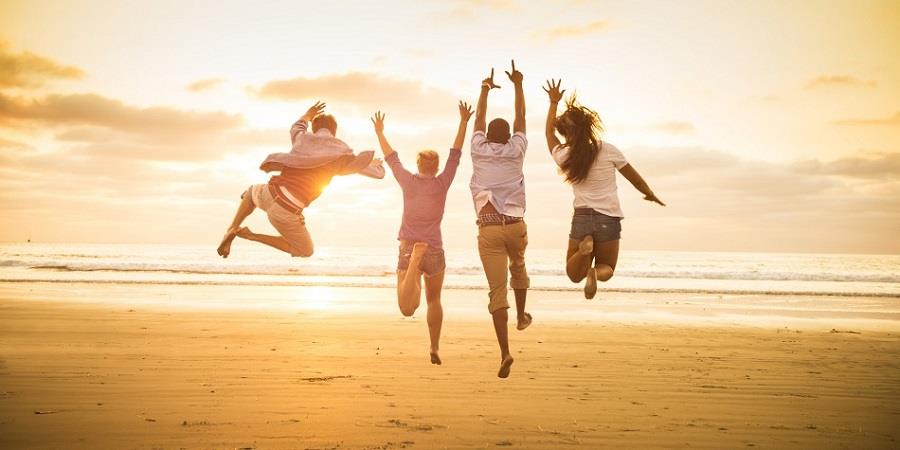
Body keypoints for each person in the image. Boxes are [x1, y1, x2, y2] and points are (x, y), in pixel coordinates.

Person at [371, 101, 473, 365]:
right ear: (436, 167)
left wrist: (380, 131)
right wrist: (463, 121)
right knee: (434, 299)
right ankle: (435, 346)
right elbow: (456, 153)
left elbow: (391, 157)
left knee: (407, 308)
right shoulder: (443, 182)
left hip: (409, 247)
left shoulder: (408, 180)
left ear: (417, 165)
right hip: (435, 249)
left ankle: (415, 262)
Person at [542, 79, 665, 299]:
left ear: (564, 132)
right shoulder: (607, 150)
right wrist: (649, 193)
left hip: (581, 217)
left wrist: (553, 102)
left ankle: (583, 250)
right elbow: (634, 179)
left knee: (573, 274)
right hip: (608, 218)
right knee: (607, 266)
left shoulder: (564, 155)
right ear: (587, 127)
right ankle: (594, 273)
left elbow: (548, 135)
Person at [217, 101, 384, 258]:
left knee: (251, 191)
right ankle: (249, 235)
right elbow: (377, 174)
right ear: (334, 131)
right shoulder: (341, 152)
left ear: (314, 128)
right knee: (305, 250)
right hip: (287, 211)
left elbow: (297, 126)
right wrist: (375, 164)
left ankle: (231, 228)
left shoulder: (302, 138)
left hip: (270, 193)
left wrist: (308, 114)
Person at [470, 60, 532, 379]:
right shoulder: (517, 149)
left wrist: (484, 90)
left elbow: (479, 119)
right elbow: (521, 117)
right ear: (508, 136)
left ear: (488, 137)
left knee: (497, 290)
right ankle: (522, 316)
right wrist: (518, 84)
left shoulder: (478, 149)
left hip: (490, 229)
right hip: (515, 226)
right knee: (518, 266)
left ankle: (505, 352)